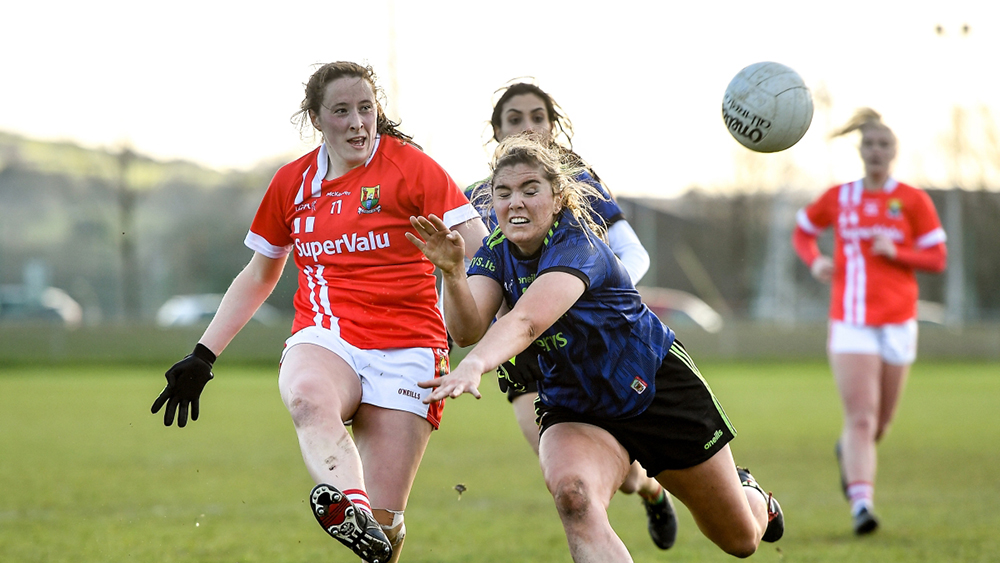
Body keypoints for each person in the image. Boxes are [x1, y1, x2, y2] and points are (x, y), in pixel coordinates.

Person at [150, 61, 490, 563]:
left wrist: (497, 326)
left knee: (383, 530)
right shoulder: (292, 183)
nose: (357, 122)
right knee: (308, 398)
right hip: (326, 336)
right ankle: (348, 506)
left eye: (366, 109)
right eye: (342, 111)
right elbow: (259, 274)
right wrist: (204, 353)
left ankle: (367, 521)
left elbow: (482, 253)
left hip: (410, 348)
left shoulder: (413, 169)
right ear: (316, 118)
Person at [407, 135, 783, 562]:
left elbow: (527, 320)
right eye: (504, 192)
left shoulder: (580, 242)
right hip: (574, 402)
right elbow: (467, 329)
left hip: (653, 387)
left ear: (557, 197)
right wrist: (454, 274)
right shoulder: (496, 251)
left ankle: (751, 493)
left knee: (740, 540)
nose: (516, 202)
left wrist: (474, 366)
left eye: (531, 190)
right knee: (574, 497)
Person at [465, 81, 678, 549]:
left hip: (590, 344)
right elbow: (470, 276)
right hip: (521, 354)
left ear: (554, 126)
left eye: (538, 117)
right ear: (496, 132)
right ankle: (617, 509)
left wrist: (595, 296)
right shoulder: (479, 199)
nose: (528, 127)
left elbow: (629, 252)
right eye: (515, 119)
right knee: (567, 479)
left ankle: (648, 487)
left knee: (617, 479)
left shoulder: (579, 184)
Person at [792, 108, 947, 535]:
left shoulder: (913, 201)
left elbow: (937, 258)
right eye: (870, 144)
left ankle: (851, 456)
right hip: (851, 320)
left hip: (899, 323)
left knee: (879, 425)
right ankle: (862, 505)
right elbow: (802, 231)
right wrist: (815, 261)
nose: (876, 151)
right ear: (860, 150)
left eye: (884, 145)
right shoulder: (839, 197)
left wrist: (898, 252)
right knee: (860, 417)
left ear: (894, 151)